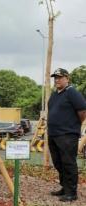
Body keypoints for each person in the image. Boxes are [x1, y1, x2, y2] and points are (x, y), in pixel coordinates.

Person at [48, 68, 86, 202]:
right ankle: (65, 187)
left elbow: (82, 112)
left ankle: (71, 193)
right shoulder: (55, 94)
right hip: (53, 135)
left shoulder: (72, 92)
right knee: (58, 163)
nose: (57, 80)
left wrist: (72, 125)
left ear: (67, 78)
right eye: (55, 78)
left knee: (68, 163)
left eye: (60, 77)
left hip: (67, 135)